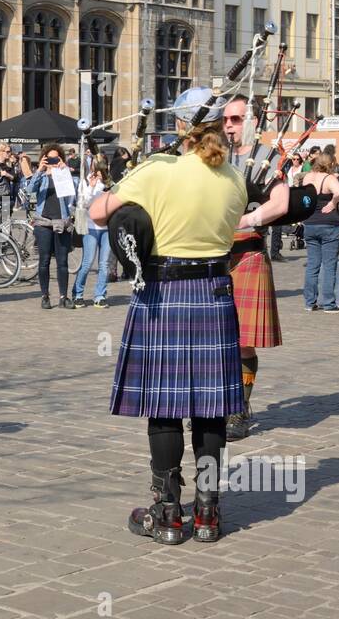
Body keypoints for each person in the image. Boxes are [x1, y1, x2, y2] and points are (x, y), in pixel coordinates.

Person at [89, 95, 247, 545]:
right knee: (211, 413)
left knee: (164, 408)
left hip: (164, 292)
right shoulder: (234, 179)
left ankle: (167, 514)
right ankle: (208, 514)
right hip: (214, 294)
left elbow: (99, 212)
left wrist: (124, 188)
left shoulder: (159, 170)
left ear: (182, 124)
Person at [222, 96, 291, 441]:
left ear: (251, 120)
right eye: (225, 120)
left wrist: (247, 219)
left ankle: (239, 407)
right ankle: (215, 403)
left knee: (241, 341)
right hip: (211, 257)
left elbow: (281, 204)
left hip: (247, 253)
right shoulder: (213, 157)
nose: (229, 125)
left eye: (235, 118)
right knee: (212, 338)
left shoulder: (269, 158)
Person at [21, 144, 77, 309]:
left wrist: (64, 170)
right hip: (43, 222)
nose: (53, 161)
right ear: (44, 159)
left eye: (56, 158)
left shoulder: (65, 175)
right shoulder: (42, 176)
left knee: (62, 262)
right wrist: (40, 170)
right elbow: (30, 190)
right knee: (44, 261)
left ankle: (63, 297)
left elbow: (73, 194)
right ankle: (45, 295)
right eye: (49, 158)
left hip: (62, 221)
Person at [300, 151, 339, 312]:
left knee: (313, 264)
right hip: (329, 224)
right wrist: (333, 203)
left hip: (310, 223)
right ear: (329, 164)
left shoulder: (307, 178)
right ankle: (328, 303)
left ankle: (309, 301)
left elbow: (303, 198)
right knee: (329, 265)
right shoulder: (329, 178)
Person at [72, 156, 111, 308]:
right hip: (91, 227)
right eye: (98, 165)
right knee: (87, 263)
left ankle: (100, 295)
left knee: (104, 264)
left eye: (103, 165)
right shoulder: (85, 181)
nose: (101, 169)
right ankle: (78, 293)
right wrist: (92, 186)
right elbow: (83, 203)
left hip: (107, 228)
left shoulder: (110, 183)